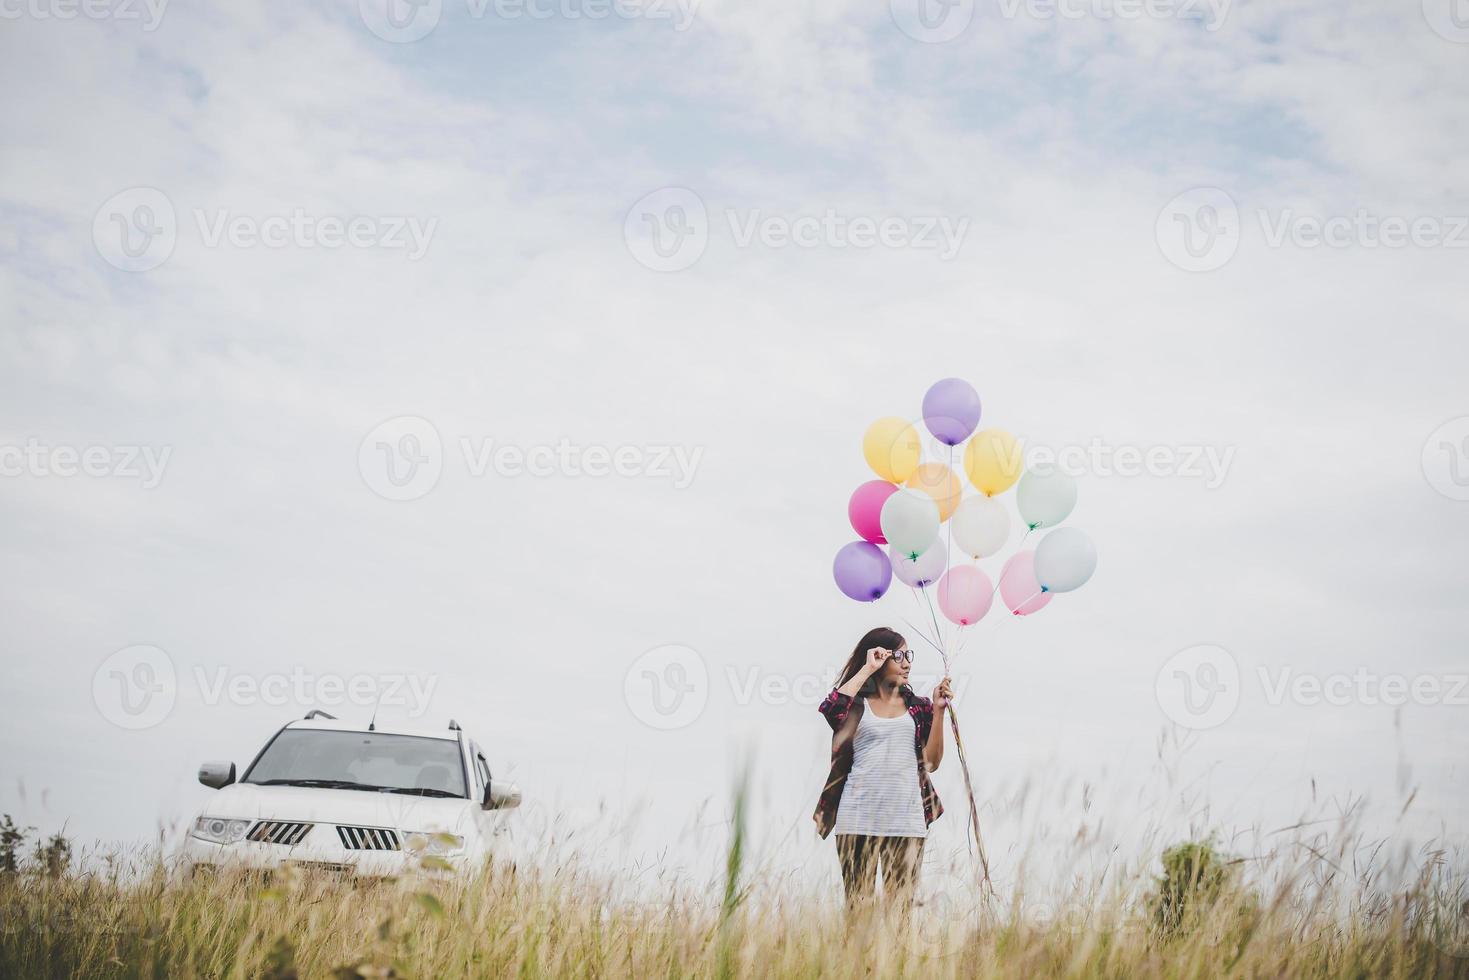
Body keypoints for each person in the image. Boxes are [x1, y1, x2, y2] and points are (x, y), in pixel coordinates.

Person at [813, 626, 952, 916]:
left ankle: (894, 963)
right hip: (857, 819)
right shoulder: (855, 707)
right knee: (858, 912)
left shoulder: (919, 708)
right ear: (879, 657)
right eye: (897, 655)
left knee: (899, 914)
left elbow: (932, 763)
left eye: (908, 655)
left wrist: (939, 710)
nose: (906, 663)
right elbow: (831, 709)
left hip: (906, 822)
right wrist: (867, 668)